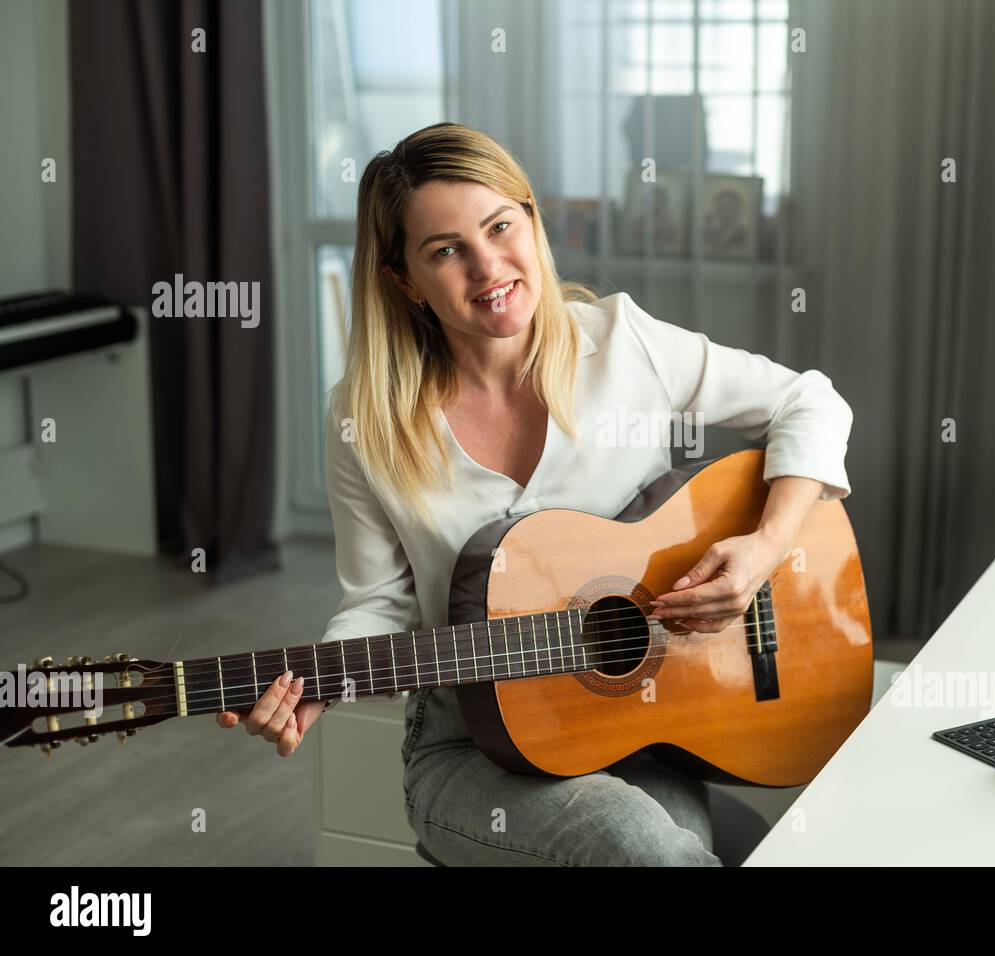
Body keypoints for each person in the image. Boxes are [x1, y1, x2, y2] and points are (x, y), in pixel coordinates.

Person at [216, 122, 853, 866]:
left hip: (649, 724)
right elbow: (379, 600)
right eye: (445, 250)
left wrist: (762, 550)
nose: (488, 266)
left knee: (657, 851)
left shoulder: (623, 346)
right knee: (641, 848)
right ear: (402, 279)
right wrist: (323, 678)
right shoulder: (366, 418)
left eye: (499, 227)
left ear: (531, 221)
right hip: (473, 745)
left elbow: (810, 401)